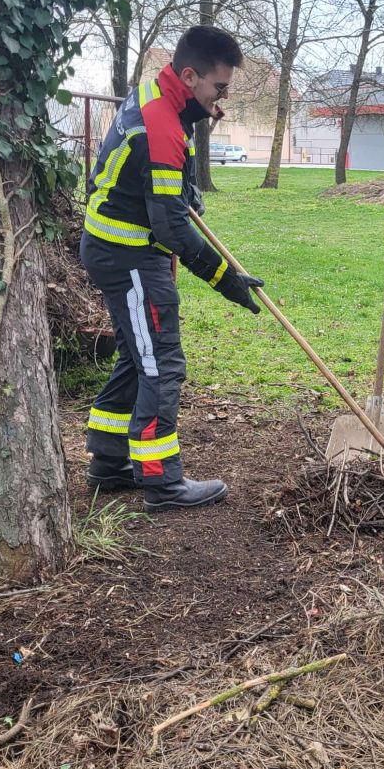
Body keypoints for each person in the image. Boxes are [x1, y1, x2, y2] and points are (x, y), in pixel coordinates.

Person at [81, 25, 263, 511]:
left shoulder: (157, 93)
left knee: (137, 357)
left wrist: (185, 171)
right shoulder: (162, 122)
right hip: (131, 258)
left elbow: (154, 179)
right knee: (162, 364)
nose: (222, 98)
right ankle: (162, 483)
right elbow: (172, 231)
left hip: (115, 248)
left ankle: (108, 462)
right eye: (218, 88)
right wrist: (228, 280)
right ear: (189, 74)